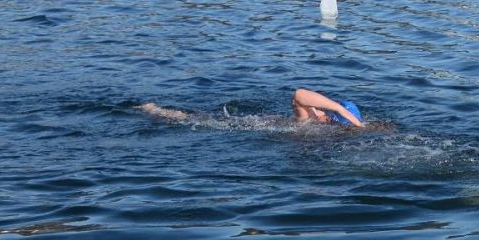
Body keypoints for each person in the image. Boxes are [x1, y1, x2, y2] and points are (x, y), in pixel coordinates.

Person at [136, 88, 364, 127]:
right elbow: (300, 95)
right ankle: (153, 111)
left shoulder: (309, 123)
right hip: (255, 122)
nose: (319, 109)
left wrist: (340, 110)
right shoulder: (314, 124)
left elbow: (300, 95)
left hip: (243, 125)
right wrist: (343, 113)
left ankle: (152, 110)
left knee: (191, 119)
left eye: (327, 111)